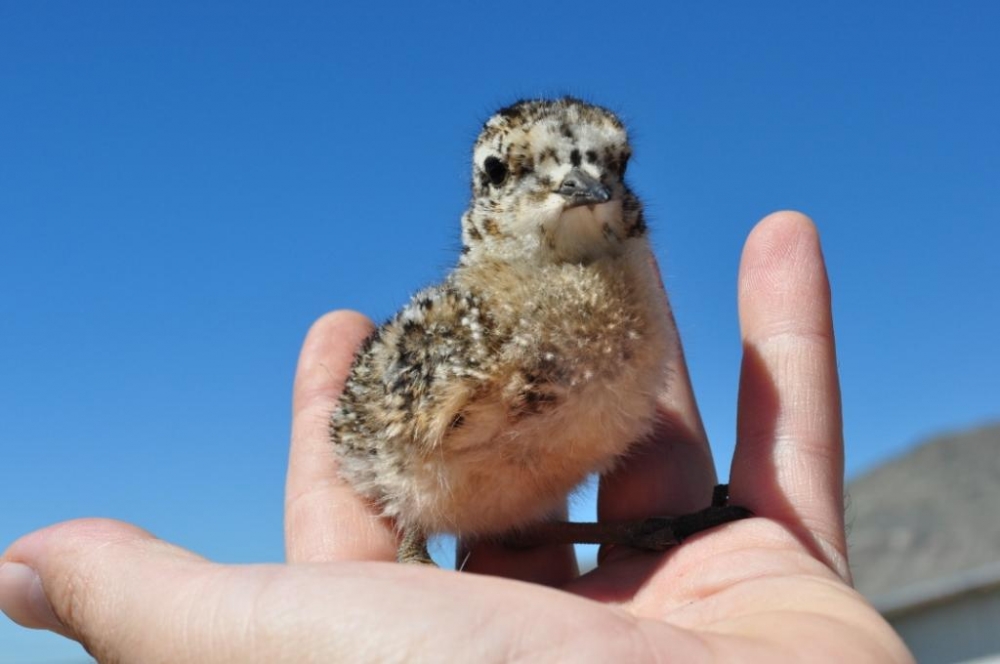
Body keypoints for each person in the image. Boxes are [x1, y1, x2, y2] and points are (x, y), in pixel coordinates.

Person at [0, 212, 914, 662]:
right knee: (481, 524)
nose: (575, 189)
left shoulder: (625, 332)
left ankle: (627, 540)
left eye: (605, 167)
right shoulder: (465, 343)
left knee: (522, 523)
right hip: (425, 475)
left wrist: (636, 536)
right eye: (520, 176)